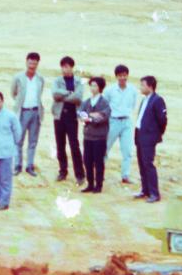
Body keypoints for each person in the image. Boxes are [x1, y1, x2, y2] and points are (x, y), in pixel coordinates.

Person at [133, 75, 167, 203]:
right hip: (140, 135)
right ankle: (145, 190)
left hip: (148, 137)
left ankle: (154, 193)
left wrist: (155, 134)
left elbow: (162, 120)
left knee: (148, 164)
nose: (141, 87)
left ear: (150, 86)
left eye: (143, 85)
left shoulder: (157, 100)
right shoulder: (145, 99)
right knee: (142, 164)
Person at [51, 56, 85, 184]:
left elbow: (79, 97)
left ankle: (80, 174)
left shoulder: (78, 81)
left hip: (72, 116)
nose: (66, 69)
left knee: (74, 145)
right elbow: (55, 94)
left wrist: (63, 95)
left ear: (72, 67)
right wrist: (69, 93)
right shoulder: (57, 80)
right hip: (59, 116)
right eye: (63, 66)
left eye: (68, 66)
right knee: (60, 145)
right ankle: (62, 171)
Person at [10, 51, 45, 176]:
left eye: (35, 64)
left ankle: (30, 166)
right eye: (30, 63)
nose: (32, 66)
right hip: (22, 112)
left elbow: (40, 94)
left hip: (36, 112)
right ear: (26, 62)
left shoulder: (40, 78)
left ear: (37, 64)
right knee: (18, 140)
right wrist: (20, 105)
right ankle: (17, 165)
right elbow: (13, 93)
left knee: (33, 141)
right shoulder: (18, 77)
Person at [0, 91, 22, 210]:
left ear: (3, 101)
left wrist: (11, 145)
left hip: (5, 152)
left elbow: (18, 133)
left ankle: (4, 202)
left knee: (5, 178)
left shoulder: (10, 116)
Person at [104, 64, 139, 185]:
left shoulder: (133, 90)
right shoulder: (110, 90)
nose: (123, 78)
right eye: (120, 75)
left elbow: (133, 105)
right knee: (105, 148)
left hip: (127, 122)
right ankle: (100, 173)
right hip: (113, 121)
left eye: (125, 75)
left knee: (127, 150)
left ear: (127, 76)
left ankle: (125, 175)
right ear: (116, 76)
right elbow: (104, 105)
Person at [79, 76, 111, 193]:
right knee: (87, 160)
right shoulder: (87, 101)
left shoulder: (104, 102)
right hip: (88, 135)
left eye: (95, 85)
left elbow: (103, 115)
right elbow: (81, 113)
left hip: (99, 136)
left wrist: (90, 118)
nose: (92, 87)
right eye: (91, 85)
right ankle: (90, 184)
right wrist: (88, 117)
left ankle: (99, 185)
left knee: (98, 161)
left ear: (100, 87)